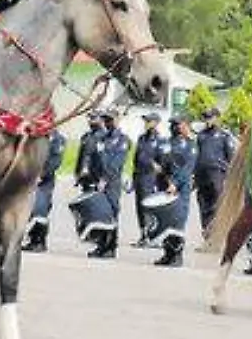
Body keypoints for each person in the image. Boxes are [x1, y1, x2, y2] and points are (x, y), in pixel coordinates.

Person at [70, 110, 131, 259]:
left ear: (117, 120)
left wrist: (105, 178)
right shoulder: (101, 139)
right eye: (106, 120)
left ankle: (110, 247)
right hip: (98, 182)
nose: (108, 122)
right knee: (100, 214)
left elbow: (116, 163)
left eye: (110, 120)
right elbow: (92, 157)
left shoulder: (123, 140)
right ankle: (101, 245)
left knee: (111, 214)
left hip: (111, 183)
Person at [154, 116, 197, 267]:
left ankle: (177, 255)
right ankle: (167, 253)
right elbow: (162, 161)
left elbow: (186, 169)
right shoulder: (167, 143)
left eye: (177, 124)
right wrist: (158, 169)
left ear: (185, 126)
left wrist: (175, 183)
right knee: (166, 220)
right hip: (165, 186)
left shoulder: (190, 145)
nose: (174, 127)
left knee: (177, 220)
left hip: (179, 188)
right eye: (172, 124)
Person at [22, 125, 68, 253]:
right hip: (32, 178)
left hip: (45, 180)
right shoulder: (38, 138)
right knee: (32, 209)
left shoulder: (59, 140)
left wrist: (41, 175)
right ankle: (33, 239)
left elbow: (55, 161)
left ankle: (40, 241)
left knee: (41, 209)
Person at [193, 109, 235, 239]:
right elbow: (197, 155)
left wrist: (229, 177)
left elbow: (231, 158)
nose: (208, 120)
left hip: (217, 175)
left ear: (217, 118)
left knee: (217, 206)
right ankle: (207, 235)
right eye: (206, 118)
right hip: (202, 176)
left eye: (210, 117)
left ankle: (216, 237)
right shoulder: (201, 136)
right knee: (203, 205)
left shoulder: (224, 136)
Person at [131, 112, 165, 248]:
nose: (146, 123)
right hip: (139, 176)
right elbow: (136, 158)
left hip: (151, 178)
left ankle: (152, 236)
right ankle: (143, 234)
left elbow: (162, 162)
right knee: (139, 207)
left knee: (149, 208)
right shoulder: (141, 139)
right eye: (145, 121)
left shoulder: (160, 140)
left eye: (149, 121)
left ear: (156, 123)